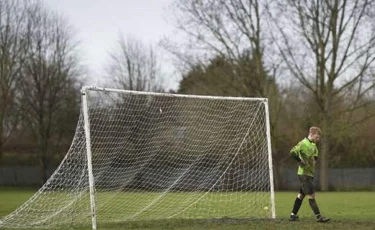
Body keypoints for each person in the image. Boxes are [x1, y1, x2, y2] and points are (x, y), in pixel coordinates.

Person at [288, 126, 330, 222]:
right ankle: (318, 217)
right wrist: (300, 161)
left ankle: (293, 215)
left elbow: (315, 158)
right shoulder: (303, 143)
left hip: (309, 174)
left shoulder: (314, 146)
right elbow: (292, 152)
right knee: (311, 195)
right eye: (317, 137)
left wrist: (312, 161)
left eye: (319, 138)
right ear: (311, 134)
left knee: (301, 195)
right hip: (304, 174)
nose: (318, 139)